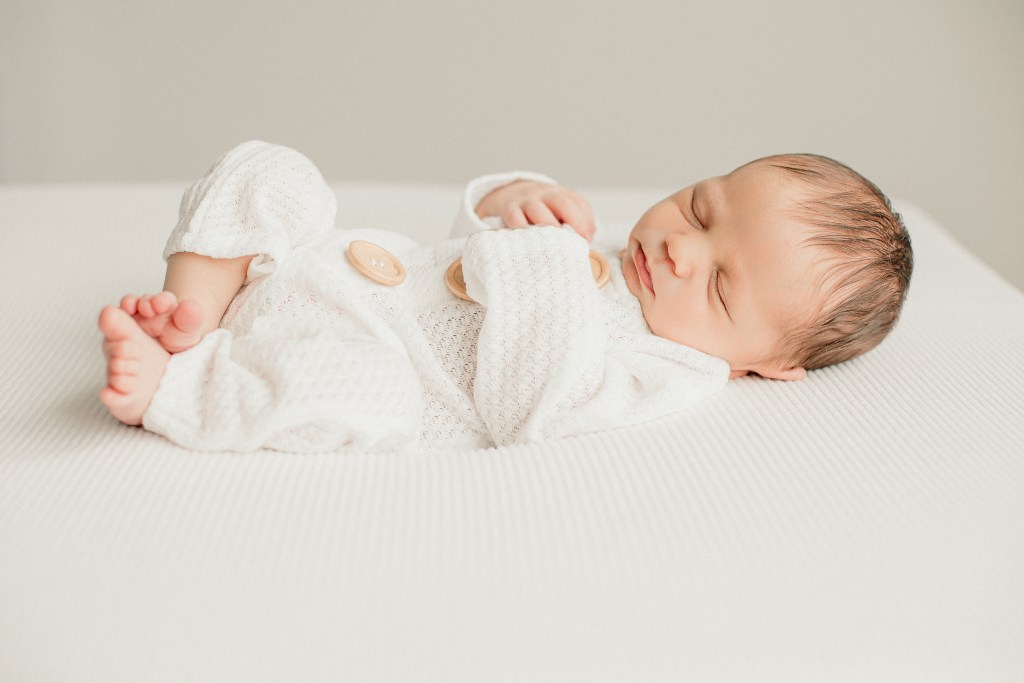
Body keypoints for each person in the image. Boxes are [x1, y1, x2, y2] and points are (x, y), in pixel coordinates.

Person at [98, 141, 912, 452]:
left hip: (373, 354)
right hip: (321, 271)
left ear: (765, 364)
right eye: (701, 208)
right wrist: (515, 198)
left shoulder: (671, 370)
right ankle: (193, 310)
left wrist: (543, 258)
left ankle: (185, 384)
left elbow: (533, 407)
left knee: (364, 400)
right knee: (271, 172)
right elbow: (464, 242)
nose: (680, 248)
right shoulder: (607, 245)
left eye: (721, 283)